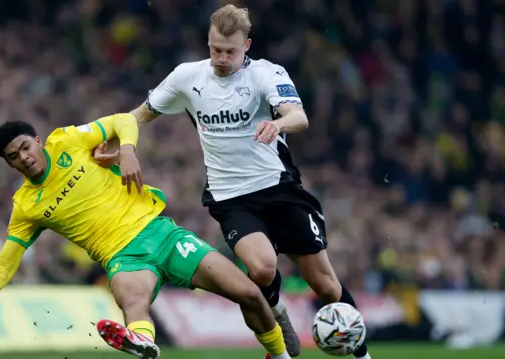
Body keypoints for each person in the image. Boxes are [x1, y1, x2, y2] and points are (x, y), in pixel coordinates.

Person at [94, 5, 371, 359]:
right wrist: (113, 139)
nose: (222, 58)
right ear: (208, 44)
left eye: (231, 51)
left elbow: (298, 116)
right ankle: (277, 314)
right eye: (215, 50)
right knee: (261, 267)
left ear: (247, 46)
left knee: (327, 286)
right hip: (231, 198)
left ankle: (362, 355)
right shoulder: (186, 77)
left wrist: (278, 125)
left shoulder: (267, 74)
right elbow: (141, 114)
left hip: (280, 189)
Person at [0, 114, 294, 359]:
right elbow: (3, 268)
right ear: (9, 164)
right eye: (14, 157)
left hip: (160, 232)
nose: (24, 158)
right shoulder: (26, 207)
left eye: (25, 147)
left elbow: (124, 121)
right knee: (133, 300)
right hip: (123, 258)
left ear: (38, 140)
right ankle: (143, 343)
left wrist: (127, 151)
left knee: (248, 293)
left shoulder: (69, 141)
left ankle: (278, 355)